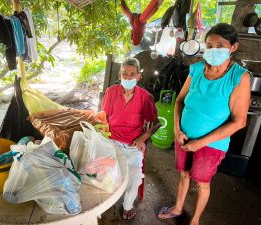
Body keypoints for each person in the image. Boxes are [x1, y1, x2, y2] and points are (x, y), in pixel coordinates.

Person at [157, 23, 251, 225]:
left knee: (201, 182)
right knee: (183, 174)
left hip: (211, 144)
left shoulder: (238, 77)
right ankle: (177, 208)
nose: (213, 50)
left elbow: (239, 121)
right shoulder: (197, 69)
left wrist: (201, 143)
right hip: (184, 136)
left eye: (220, 45)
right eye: (209, 46)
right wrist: (176, 130)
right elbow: (180, 100)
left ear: (233, 47)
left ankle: (195, 220)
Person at [101, 57, 160, 221]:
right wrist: (101, 139)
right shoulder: (111, 92)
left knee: (134, 176)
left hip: (133, 145)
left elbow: (157, 124)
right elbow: (102, 118)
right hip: (111, 141)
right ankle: (104, 200)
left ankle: (127, 205)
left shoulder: (145, 97)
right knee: (102, 170)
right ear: (119, 75)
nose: (128, 78)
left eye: (132, 74)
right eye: (124, 74)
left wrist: (143, 137)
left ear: (139, 76)